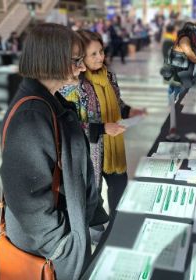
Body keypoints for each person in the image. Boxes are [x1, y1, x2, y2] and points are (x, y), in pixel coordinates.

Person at [0, 23, 98, 280]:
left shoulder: (49, 102)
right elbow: (28, 199)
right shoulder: (32, 115)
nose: (83, 67)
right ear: (51, 59)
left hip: (61, 235)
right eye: (76, 60)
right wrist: (60, 245)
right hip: (44, 252)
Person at [63, 30, 145, 218]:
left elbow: (118, 103)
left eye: (101, 51)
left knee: (120, 189)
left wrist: (129, 111)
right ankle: (95, 233)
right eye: (94, 54)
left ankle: (116, 227)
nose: (101, 57)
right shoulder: (72, 85)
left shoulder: (109, 76)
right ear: (80, 57)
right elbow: (69, 126)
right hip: (91, 152)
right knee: (93, 199)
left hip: (114, 148)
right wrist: (102, 128)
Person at [167, 22, 196, 100]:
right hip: (181, 68)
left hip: (177, 66)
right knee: (179, 89)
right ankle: (174, 106)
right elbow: (188, 53)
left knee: (175, 88)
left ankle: (173, 105)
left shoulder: (182, 36)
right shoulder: (185, 38)